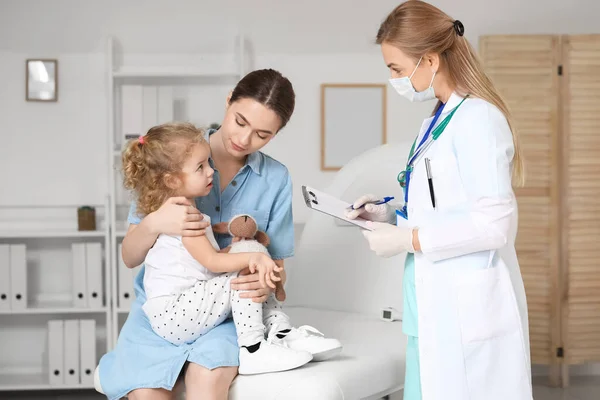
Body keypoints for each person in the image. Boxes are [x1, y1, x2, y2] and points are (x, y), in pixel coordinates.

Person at [97, 69, 340, 400]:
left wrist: (265, 277)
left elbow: (277, 265)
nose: (243, 139)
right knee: (147, 393)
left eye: (262, 134)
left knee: (207, 379)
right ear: (228, 101)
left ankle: (275, 334)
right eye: (240, 121)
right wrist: (154, 223)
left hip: (230, 312)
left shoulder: (275, 178)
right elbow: (129, 257)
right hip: (165, 310)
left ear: (276, 134)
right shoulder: (178, 154)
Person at [346, 2, 532, 400]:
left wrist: (408, 240)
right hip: (428, 301)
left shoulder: (479, 119)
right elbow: (440, 205)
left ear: (429, 59)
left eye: (396, 69)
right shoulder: (435, 122)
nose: (393, 79)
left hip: (466, 307)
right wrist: (389, 213)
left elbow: (493, 224)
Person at [121, 122, 316, 375]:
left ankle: (278, 330)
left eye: (208, 163)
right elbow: (212, 262)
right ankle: (254, 347)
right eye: (200, 167)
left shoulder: (181, 210)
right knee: (243, 271)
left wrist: (247, 250)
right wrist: (254, 257)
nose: (211, 171)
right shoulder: (183, 217)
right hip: (175, 313)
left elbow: (205, 260)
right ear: (171, 180)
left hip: (178, 309)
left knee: (247, 250)